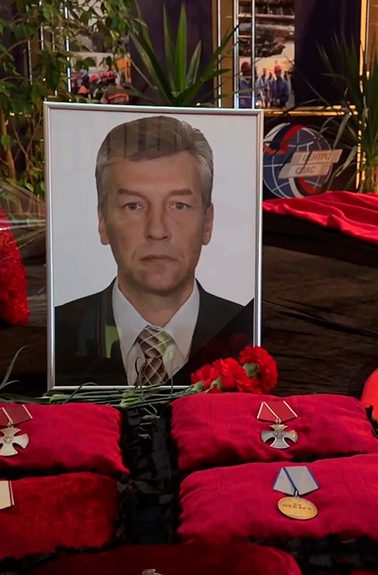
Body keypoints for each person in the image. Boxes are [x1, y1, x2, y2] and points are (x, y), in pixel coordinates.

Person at [54, 115, 256, 387]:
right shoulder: (55, 334)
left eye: (179, 206)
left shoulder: (248, 333)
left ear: (207, 223)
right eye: (134, 206)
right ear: (102, 221)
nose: (157, 230)